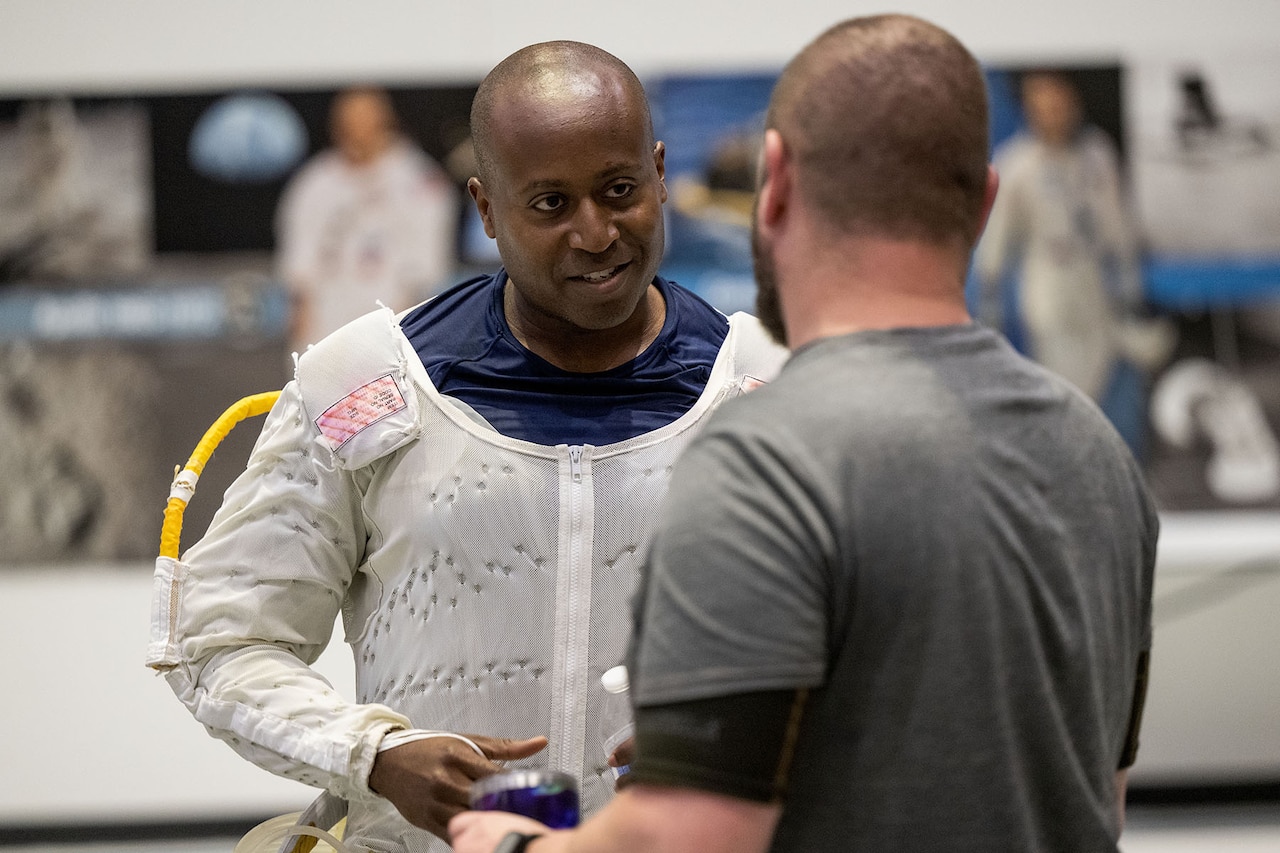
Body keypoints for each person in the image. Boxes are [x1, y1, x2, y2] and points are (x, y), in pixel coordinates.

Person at [450, 14, 1158, 853]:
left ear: (774, 180)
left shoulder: (767, 458)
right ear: (987, 201)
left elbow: (691, 837)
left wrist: (505, 843)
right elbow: (1091, 795)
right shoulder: (1096, 452)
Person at [146, 41, 788, 853]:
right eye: (550, 205)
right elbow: (219, 641)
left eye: (619, 191)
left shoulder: (771, 386)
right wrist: (374, 754)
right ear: (486, 210)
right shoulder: (368, 384)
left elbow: (877, 652)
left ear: (660, 175)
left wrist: (759, 741)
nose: (595, 233)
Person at [973, 69, 1173, 453]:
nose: (1052, 114)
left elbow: (1119, 228)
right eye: (1042, 106)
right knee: (1063, 386)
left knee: (1113, 378)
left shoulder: (1096, 153)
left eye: (1059, 104)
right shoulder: (1017, 162)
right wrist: (991, 304)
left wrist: (1130, 289)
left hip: (1095, 284)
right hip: (1049, 285)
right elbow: (997, 240)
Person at [275, 85, 458, 353]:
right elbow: (300, 261)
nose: (357, 133)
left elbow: (427, 267)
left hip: (393, 325)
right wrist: (301, 314)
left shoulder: (419, 181)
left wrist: (406, 328)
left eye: (365, 123)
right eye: (348, 125)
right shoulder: (314, 183)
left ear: (386, 122)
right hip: (327, 325)